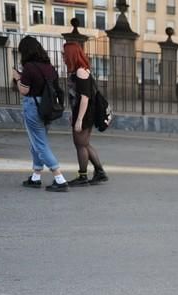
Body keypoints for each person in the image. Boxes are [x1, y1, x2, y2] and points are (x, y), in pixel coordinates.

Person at [12, 36, 68, 192]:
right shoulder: (49, 67)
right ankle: (36, 177)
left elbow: (24, 90)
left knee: (40, 144)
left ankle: (59, 178)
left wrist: (17, 78)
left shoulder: (29, 67)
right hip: (47, 107)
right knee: (36, 143)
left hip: (33, 107)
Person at [62, 42, 108, 186]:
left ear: (71, 55)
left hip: (85, 113)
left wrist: (79, 119)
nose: (63, 56)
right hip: (83, 112)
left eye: (64, 53)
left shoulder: (81, 72)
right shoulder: (79, 71)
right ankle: (100, 172)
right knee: (84, 144)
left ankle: (83, 177)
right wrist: (74, 114)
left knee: (80, 144)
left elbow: (84, 97)